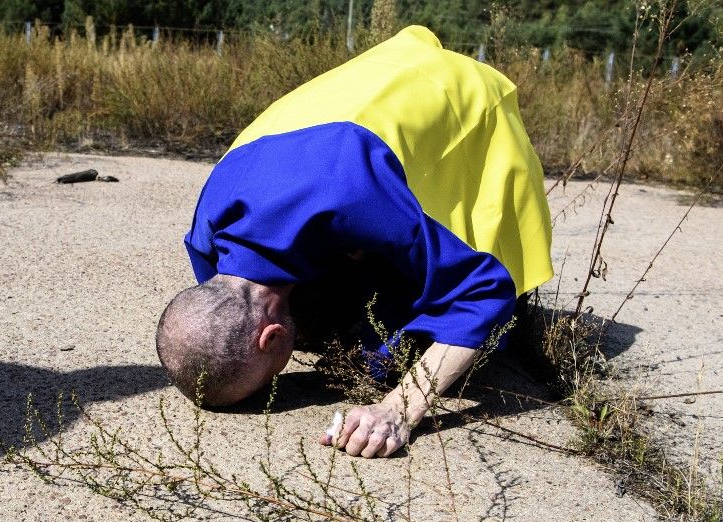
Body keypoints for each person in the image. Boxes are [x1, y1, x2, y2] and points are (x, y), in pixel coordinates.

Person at [156, 26, 553, 458]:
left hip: (463, 96)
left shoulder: (358, 198)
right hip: (350, 108)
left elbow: (486, 292)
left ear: (270, 337)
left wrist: (398, 408)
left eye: (273, 377)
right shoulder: (205, 234)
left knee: (462, 263)